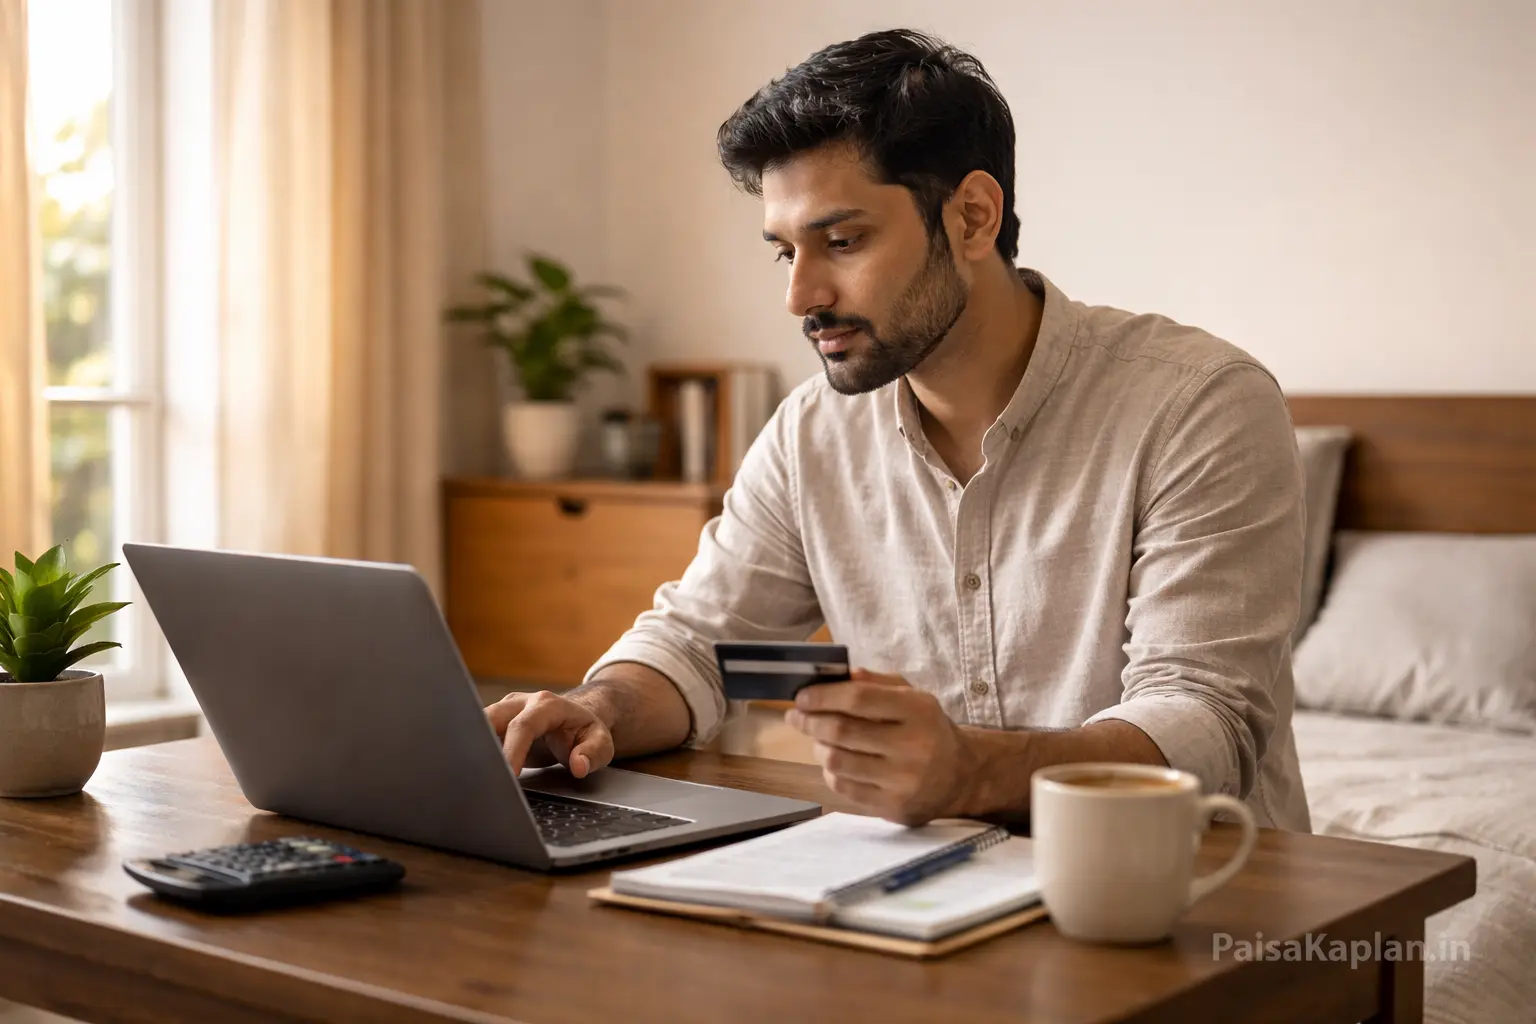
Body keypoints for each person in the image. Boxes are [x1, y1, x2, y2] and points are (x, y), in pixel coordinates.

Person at [486, 28, 1311, 832]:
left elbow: (1204, 719)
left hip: (1191, 902)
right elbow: (700, 644)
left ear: (973, 218)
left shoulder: (1199, 404)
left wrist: (971, 770)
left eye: (842, 241)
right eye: (785, 252)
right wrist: (595, 710)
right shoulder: (812, 433)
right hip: (926, 902)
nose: (800, 296)